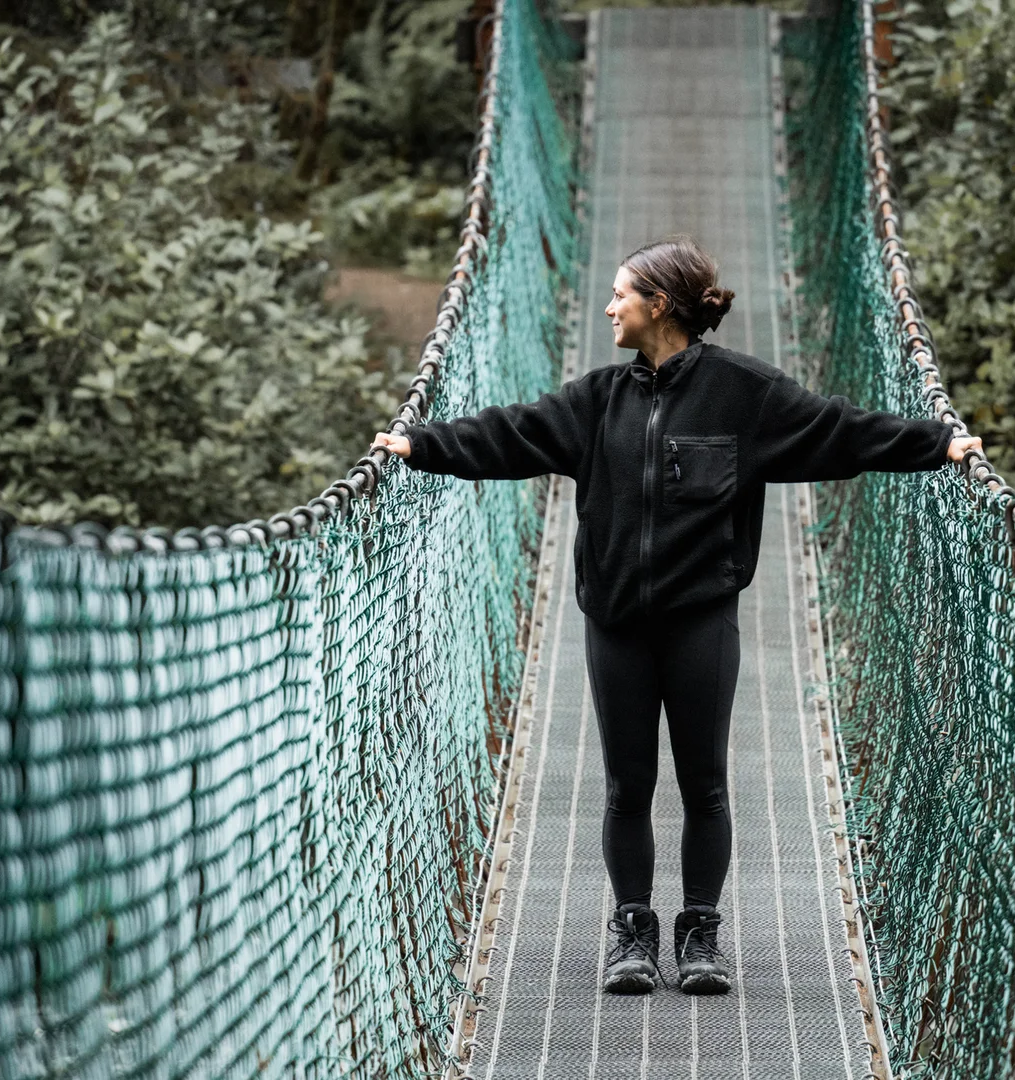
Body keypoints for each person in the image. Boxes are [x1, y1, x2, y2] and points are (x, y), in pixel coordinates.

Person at [375, 236, 980, 996]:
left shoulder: (745, 395)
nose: (609, 307)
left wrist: (939, 444)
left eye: (621, 294)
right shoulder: (596, 400)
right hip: (617, 624)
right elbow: (513, 432)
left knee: (705, 784)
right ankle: (632, 931)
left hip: (700, 621)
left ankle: (699, 934)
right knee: (627, 785)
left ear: (659, 305)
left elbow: (841, 431)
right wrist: (420, 444)